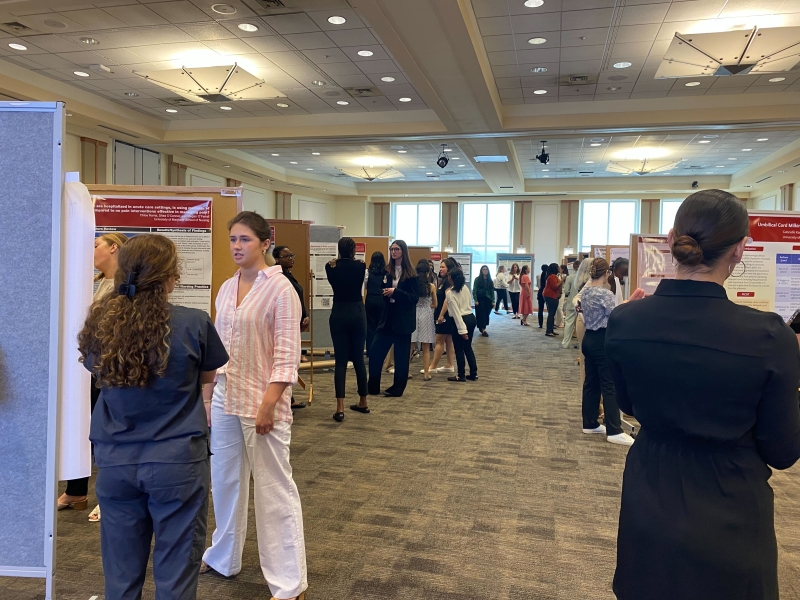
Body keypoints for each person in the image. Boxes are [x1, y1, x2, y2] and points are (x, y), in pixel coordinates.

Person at [608, 189, 800, 600]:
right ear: (741, 249)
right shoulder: (769, 336)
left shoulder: (625, 320)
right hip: (729, 508)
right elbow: (783, 451)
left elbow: (627, 405)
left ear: (673, 237)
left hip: (649, 492)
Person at [77, 234, 229, 600]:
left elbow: (95, 373)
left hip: (115, 461)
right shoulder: (193, 323)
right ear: (170, 276)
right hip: (177, 462)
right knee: (176, 573)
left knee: (120, 574)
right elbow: (208, 377)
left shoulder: (100, 323)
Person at [202, 212, 307, 600]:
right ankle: (222, 556)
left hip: (265, 402)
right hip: (228, 396)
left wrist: (268, 404)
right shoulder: (227, 289)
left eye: (244, 239)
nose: (236, 246)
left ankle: (289, 582)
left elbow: (286, 356)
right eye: (233, 239)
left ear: (265, 244)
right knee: (225, 482)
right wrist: (209, 398)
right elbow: (217, 352)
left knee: (273, 490)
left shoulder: (281, 290)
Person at [59, 232, 128, 522]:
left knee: (109, 436)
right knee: (83, 430)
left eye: (96, 244)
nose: (91, 250)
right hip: (89, 369)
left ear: (114, 248)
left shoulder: (126, 286)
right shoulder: (96, 284)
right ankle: (76, 491)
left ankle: (111, 497)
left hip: (112, 371)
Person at [577, 257, 634, 447]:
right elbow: (615, 316)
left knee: (591, 383)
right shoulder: (605, 294)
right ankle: (614, 430)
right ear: (606, 273)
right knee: (609, 384)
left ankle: (590, 422)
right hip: (602, 340)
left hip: (588, 339)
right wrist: (628, 304)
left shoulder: (584, 293)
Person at [367, 240, 419, 397]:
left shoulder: (411, 274)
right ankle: (373, 386)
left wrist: (396, 292)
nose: (393, 252)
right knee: (375, 352)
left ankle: (397, 388)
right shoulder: (387, 271)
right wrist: (385, 293)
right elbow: (383, 290)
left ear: (403, 251)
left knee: (401, 358)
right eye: (391, 249)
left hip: (403, 320)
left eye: (396, 249)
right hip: (387, 318)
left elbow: (414, 298)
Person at [326, 237, 368, 423]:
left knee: (341, 361)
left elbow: (332, 268)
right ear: (353, 250)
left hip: (339, 313)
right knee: (358, 358)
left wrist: (335, 261)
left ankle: (340, 408)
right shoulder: (360, 266)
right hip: (358, 313)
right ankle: (363, 401)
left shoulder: (331, 267)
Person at [273, 245, 310, 410]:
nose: (291, 258)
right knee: (285, 361)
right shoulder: (276, 276)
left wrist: (305, 315)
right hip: (283, 325)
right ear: (276, 259)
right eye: (286, 256)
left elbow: (298, 297)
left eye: (292, 255)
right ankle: (285, 400)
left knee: (292, 361)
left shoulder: (288, 274)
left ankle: (289, 398)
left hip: (295, 322)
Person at [441, 267, 477, 382]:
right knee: (467, 347)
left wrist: (462, 330)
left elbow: (456, 314)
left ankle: (460, 375)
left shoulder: (450, 293)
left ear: (451, 278)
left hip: (461, 320)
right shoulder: (465, 287)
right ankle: (473, 373)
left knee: (459, 349)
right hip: (471, 318)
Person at [426, 258, 456, 375]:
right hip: (444, 314)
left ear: (449, 269)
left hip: (445, 315)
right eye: (440, 267)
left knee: (439, 341)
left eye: (443, 267)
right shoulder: (443, 281)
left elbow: (447, 300)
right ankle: (449, 364)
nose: (440, 269)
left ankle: (432, 366)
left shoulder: (448, 281)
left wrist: (441, 314)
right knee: (448, 340)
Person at [411, 259, 437, 380]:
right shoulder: (431, 286)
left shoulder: (413, 286)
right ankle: (426, 373)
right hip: (426, 314)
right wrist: (428, 306)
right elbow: (435, 304)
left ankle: (405, 372)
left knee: (410, 345)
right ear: (428, 272)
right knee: (425, 346)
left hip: (414, 313)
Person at [365, 251, 386, 354]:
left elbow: (365, 286)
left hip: (370, 299)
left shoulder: (367, 272)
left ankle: (370, 350)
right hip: (381, 300)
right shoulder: (386, 273)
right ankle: (380, 350)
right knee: (381, 326)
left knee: (370, 326)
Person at [561, 260, 580, 350]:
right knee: (582, 325)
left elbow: (566, 291)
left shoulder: (570, 278)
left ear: (573, 267)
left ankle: (565, 343)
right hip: (583, 305)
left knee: (569, 323)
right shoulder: (587, 278)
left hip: (572, 303)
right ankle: (580, 344)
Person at [473, 265, 494, 337]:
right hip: (480, 299)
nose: (485, 271)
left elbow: (492, 292)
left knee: (486, 314)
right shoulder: (477, 279)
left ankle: (482, 327)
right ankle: (483, 329)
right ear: (481, 271)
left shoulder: (490, 280)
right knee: (481, 314)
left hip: (488, 299)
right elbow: (474, 290)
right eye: (484, 269)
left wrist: (493, 301)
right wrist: (475, 300)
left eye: (486, 269)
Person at [542, 263, 561, 337]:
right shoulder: (552, 276)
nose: (559, 268)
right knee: (551, 314)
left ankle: (551, 330)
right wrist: (562, 280)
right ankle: (549, 331)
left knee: (551, 313)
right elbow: (555, 287)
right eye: (558, 267)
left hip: (549, 295)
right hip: (551, 296)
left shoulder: (552, 276)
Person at [537, 264, 548, 328]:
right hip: (547, 293)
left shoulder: (538, 276)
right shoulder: (548, 276)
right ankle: (550, 324)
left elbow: (538, 285)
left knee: (540, 309)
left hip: (540, 292)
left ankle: (540, 324)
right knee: (549, 310)